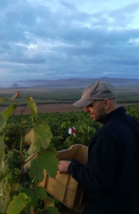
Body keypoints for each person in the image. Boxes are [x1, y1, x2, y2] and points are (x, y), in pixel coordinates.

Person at [58, 81, 139, 214]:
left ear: (106, 103)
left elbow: (97, 181)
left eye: (89, 105)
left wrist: (70, 167)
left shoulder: (107, 134)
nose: (85, 110)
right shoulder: (132, 123)